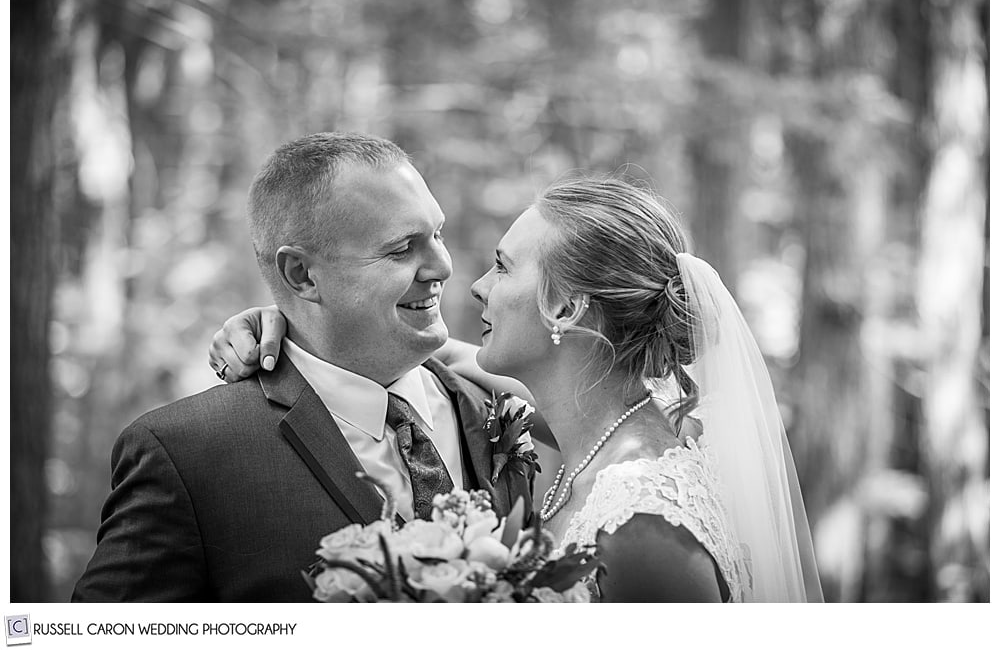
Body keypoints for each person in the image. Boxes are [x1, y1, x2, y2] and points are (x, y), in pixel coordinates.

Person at [213, 176, 824, 602]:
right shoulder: (569, 435)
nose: (474, 284)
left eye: (503, 266)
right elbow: (425, 351)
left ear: (565, 308)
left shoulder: (644, 520)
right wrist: (282, 323)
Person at [73, 132, 533, 602]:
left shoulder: (505, 408)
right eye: (401, 249)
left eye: (438, 234)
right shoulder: (186, 454)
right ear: (302, 275)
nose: (442, 266)